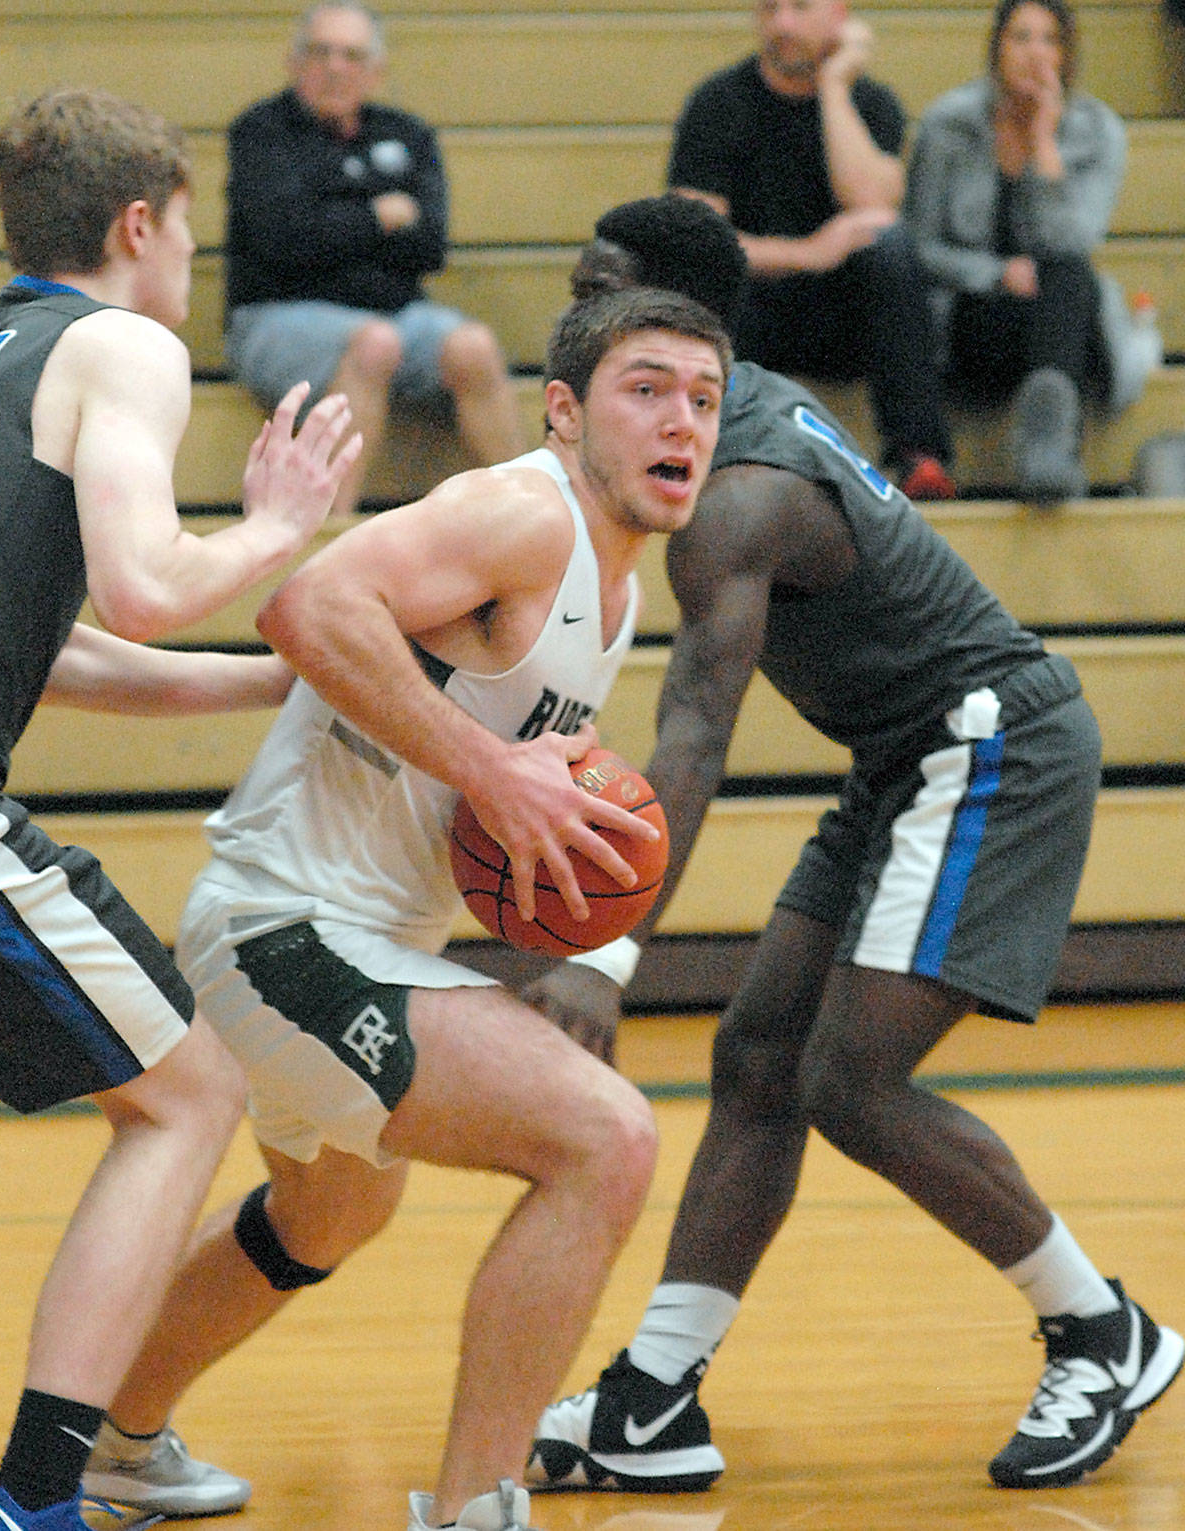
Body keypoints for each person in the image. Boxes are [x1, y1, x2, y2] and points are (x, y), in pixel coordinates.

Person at [519, 194, 1183, 1496]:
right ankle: (655, 1394)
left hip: (996, 743)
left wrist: (604, 954)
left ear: (682, 328)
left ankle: (1102, 1328)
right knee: (760, 1052)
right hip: (908, 752)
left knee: (852, 1079)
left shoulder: (743, 494)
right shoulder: (689, 432)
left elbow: (698, 727)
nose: (573, 311)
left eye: (604, 287)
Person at [71, 286, 733, 1531]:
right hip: (288, 927)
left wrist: (554, 861)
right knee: (607, 1143)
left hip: (349, 935)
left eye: (702, 399)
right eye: (645, 388)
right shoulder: (517, 511)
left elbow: (489, 752)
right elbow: (308, 606)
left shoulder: (618, 584)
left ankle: (114, 1443)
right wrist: (490, 771)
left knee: (330, 1209)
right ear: (561, 410)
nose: (680, 420)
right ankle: (479, 1506)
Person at [0, 87, 362, 1531]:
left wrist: (263, 688)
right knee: (187, 1094)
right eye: (191, 235)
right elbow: (146, 583)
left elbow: (44, 646)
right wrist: (283, 529)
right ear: (141, 223)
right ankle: (47, 1489)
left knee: (167, 1093)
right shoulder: (122, 344)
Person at [225, 1, 526, 517]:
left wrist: (332, 222)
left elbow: (430, 246)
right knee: (374, 344)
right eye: (321, 52)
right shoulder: (261, 133)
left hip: (397, 314)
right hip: (274, 317)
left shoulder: (408, 133)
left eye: (352, 55)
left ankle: (532, 516)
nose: (335, 67)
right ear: (294, 61)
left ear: (376, 70)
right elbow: (282, 246)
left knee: (472, 346)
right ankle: (327, 533)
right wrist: (377, 219)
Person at [666, 0, 956, 501]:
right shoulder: (717, 102)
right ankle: (716, 448)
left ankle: (916, 454)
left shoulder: (871, 103)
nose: (781, 23)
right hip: (754, 316)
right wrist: (808, 253)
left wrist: (834, 87)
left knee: (891, 249)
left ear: (839, 14)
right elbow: (697, 241)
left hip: (849, 320)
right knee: (695, 278)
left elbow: (874, 207)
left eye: (799, 7)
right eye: (770, 8)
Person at [905, 0, 1155, 505]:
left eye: (1050, 39)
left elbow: (1074, 243)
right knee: (1062, 280)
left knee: (1067, 271)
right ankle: (1049, 434)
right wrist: (996, 273)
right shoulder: (947, 125)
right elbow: (921, 247)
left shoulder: (1097, 131)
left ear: (1067, 55)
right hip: (973, 323)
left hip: (1062, 326)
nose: (1034, 53)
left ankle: (1046, 445)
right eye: (1020, 37)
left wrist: (1045, 143)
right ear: (997, 47)